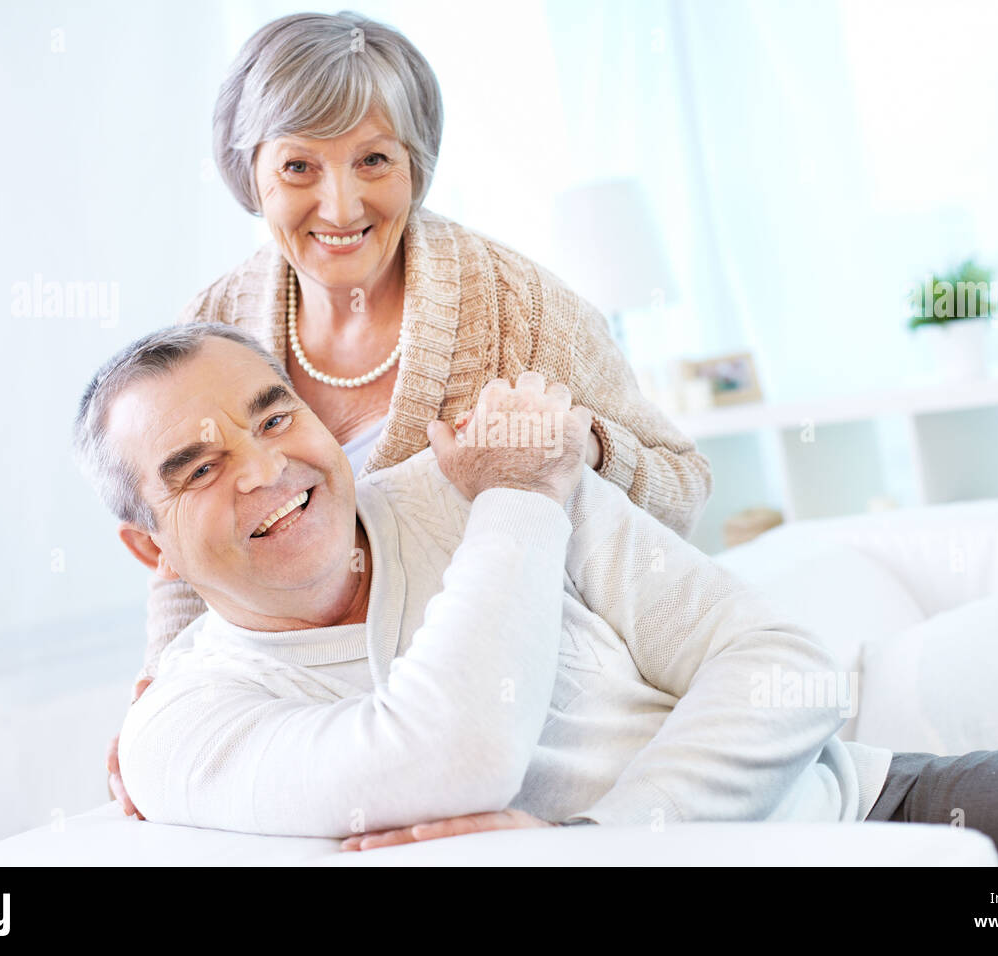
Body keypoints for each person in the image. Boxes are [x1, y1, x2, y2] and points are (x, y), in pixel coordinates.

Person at [75, 324, 998, 865]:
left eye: (273, 416)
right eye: (196, 467)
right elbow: (448, 754)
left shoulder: (460, 486)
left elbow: (786, 664)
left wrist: (610, 831)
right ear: (147, 547)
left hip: (873, 802)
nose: (266, 468)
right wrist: (520, 502)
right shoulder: (178, 725)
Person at [110, 10, 715, 815]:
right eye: (298, 167)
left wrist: (576, 450)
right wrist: (162, 690)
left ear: (416, 165)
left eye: (373, 159)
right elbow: (191, 531)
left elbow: (685, 489)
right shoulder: (216, 319)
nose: (341, 202)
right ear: (247, 173)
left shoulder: (519, 306)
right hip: (347, 745)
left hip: (543, 733)